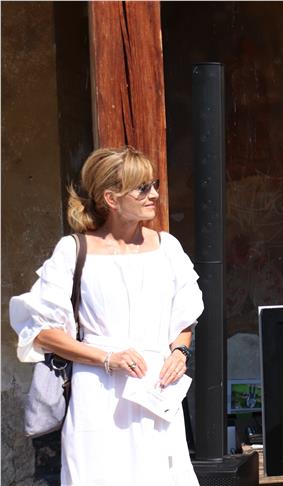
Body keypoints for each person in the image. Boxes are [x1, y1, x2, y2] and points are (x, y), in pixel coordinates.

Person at [10, 146, 203, 485]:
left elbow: (185, 314)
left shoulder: (167, 248)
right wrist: (107, 358)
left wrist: (180, 350)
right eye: (142, 188)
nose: (154, 195)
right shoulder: (74, 250)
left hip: (155, 390)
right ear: (111, 198)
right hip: (98, 393)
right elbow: (41, 331)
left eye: (154, 184)